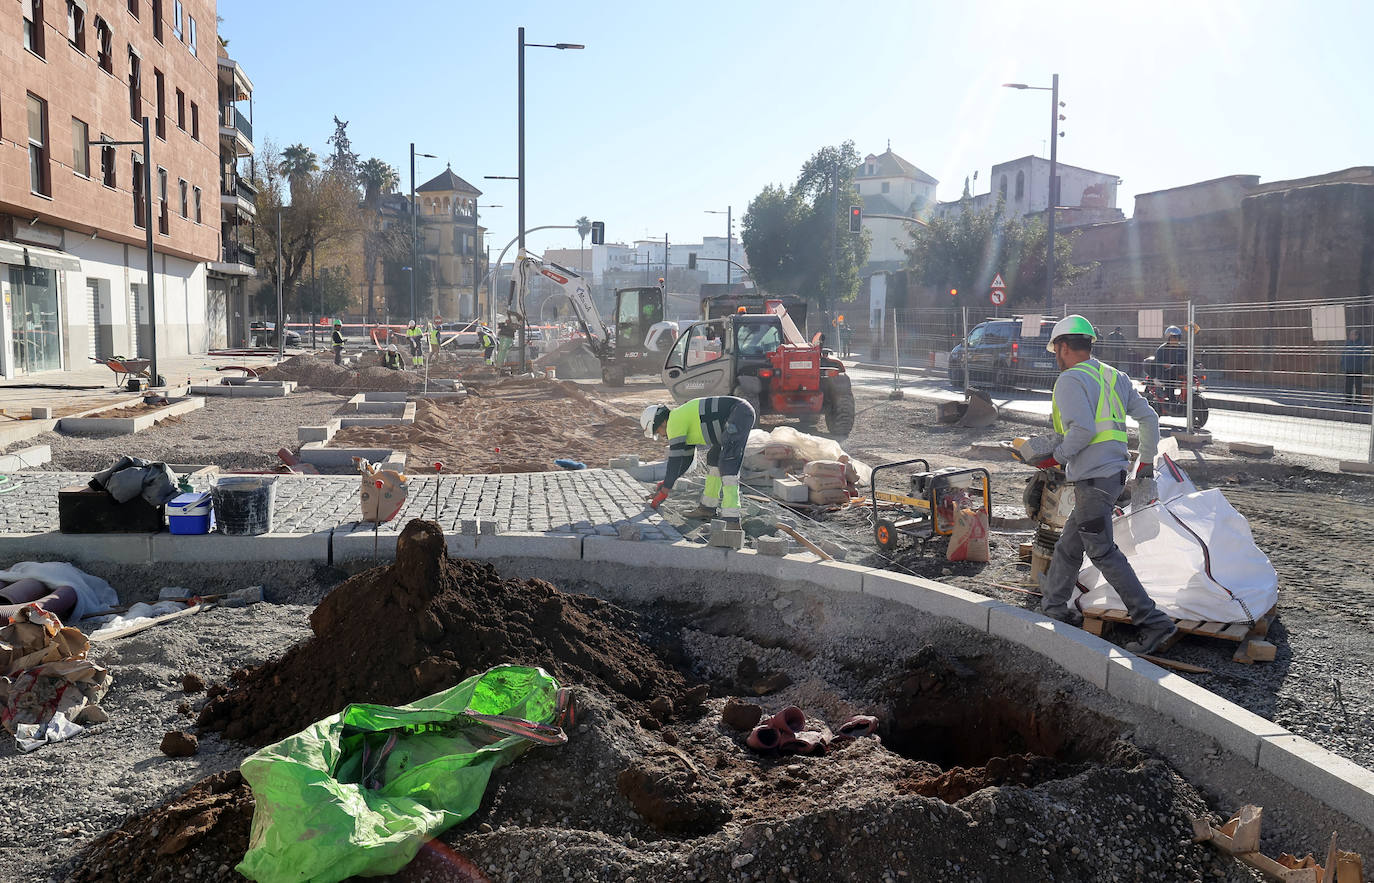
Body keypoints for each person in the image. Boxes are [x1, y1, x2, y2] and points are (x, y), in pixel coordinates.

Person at [1023, 315, 1179, 656]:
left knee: (1102, 550)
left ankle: (1154, 623)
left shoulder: (1070, 380)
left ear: (1063, 347)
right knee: (1069, 543)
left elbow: (1082, 432)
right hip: (1111, 475)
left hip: (1092, 479)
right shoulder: (1114, 376)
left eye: (1056, 351)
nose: (1055, 357)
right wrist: (1147, 464)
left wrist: (1056, 457)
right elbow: (1149, 418)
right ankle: (1055, 608)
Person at [641, 396, 757, 526]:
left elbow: (675, 460)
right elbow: (685, 459)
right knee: (714, 458)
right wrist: (666, 483)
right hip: (734, 414)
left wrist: (664, 491)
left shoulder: (674, 422)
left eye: (658, 432)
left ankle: (732, 518)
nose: (662, 436)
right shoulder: (681, 419)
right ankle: (707, 508)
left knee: (728, 461)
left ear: (661, 422)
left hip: (739, 412)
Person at [1341, 329, 1369, 405]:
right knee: (1348, 384)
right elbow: (1343, 354)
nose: (1350, 336)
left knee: (1358, 385)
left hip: (1358, 368)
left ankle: (1358, 401)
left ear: (1357, 336)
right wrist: (1343, 363)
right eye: (1350, 334)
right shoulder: (1348, 343)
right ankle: (1348, 400)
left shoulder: (1362, 343)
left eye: (1352, 334)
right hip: (1348, 368)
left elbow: (1367, 355)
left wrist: (1360, 362)